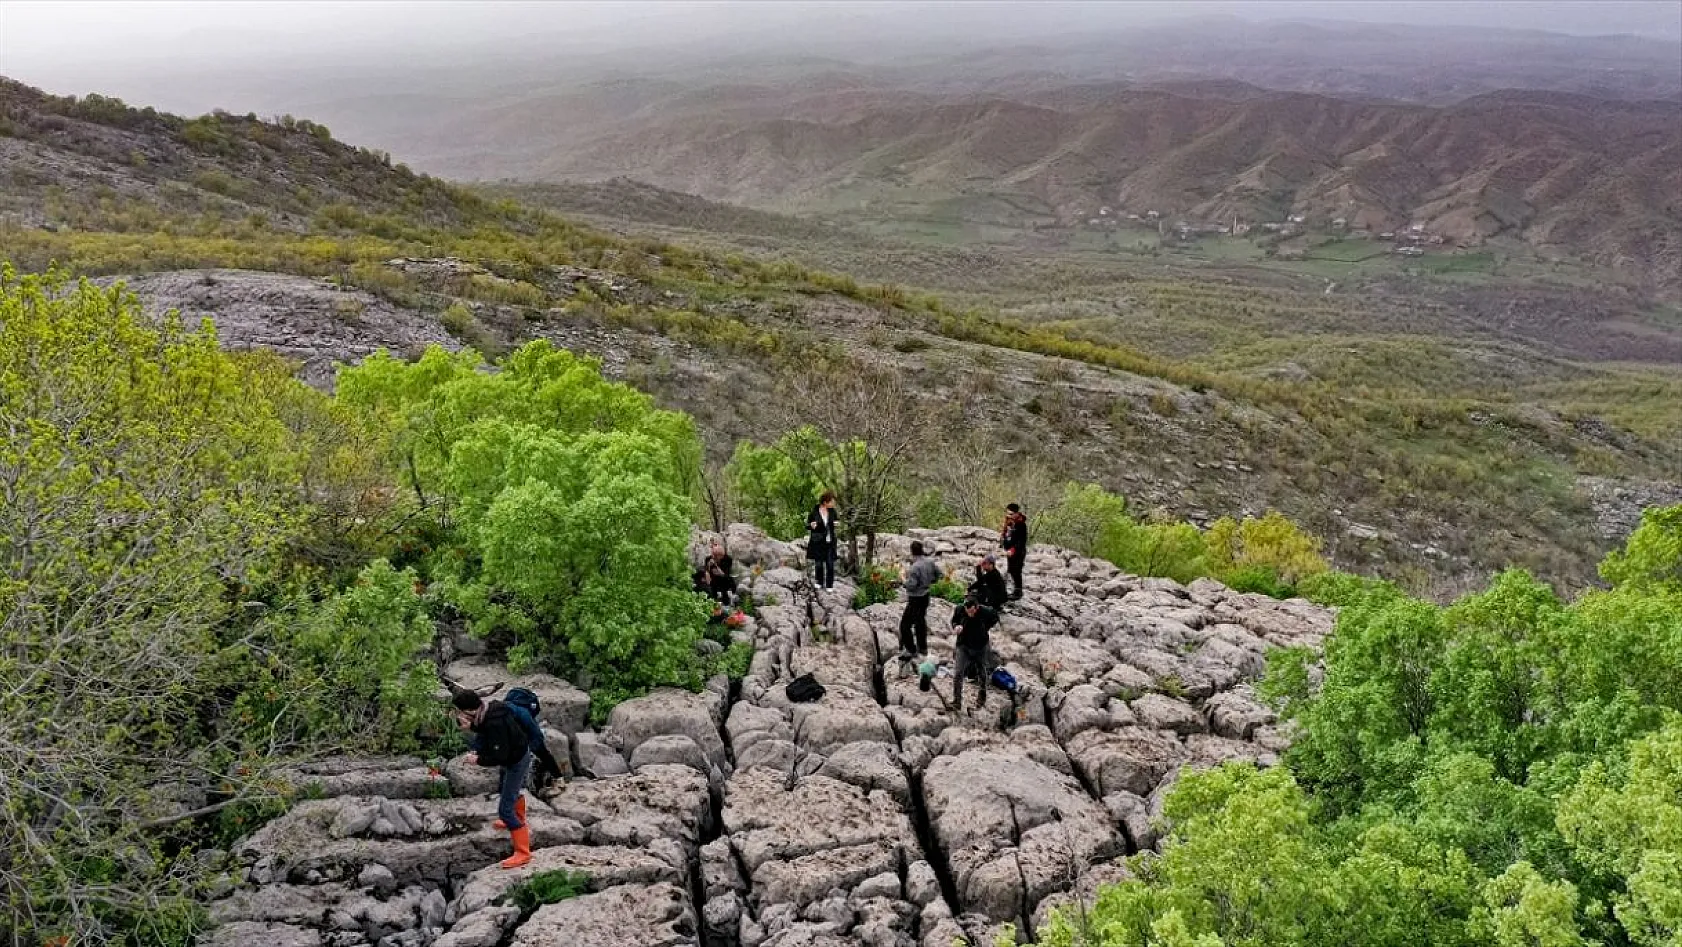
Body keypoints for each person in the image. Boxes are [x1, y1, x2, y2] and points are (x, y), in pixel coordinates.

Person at [453, 690, 541, 869]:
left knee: (504, 810)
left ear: (469, 710)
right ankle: (518, 816)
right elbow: (485, 731)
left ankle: (523, 853)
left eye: (460, 711)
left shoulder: (494, 721)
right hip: (516, 753)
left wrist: (477, 760)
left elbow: (499, 755)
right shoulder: (489, 709)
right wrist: (470, 729)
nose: (459, 715)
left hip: (516, 760)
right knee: (507, 790)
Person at [949, 595, 1000, 711]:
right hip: (963, 645)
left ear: (976, 608)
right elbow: (954, 620)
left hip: (981, 646)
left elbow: (995, 617)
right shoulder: (959, 609)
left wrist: (985, 627)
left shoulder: (986, 611)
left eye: (971, 612)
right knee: (958, 672)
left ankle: (981, 698)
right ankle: (957, 701)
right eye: (967, 612)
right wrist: (956, 626)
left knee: (982, 671)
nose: (969, 614)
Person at [898, 540, 940, 661]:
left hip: (915, 598)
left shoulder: (915, 567)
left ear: (912, 551)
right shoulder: (930, 562)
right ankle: (923, 648)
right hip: (926, 595)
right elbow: (939, 575)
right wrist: (931, 581)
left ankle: (911, 649)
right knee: (920, 622)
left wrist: (903, 581)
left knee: (905, 625)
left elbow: (912, 585)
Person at [806, 491, 839, 589]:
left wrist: (836, 523)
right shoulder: (814, 512)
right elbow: (807, 525)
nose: (833, 503)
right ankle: (819, 582)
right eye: (832, 501)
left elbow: (836, 521)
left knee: (830, 564)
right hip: (818, 541)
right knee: (818, 564)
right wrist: (811, 526)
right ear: (825, 502)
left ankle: (829, 585)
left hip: (830, 541)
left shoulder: (833, 511)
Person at [1001, 503, 1029, 601]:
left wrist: (1013, 550)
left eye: (1011, 513)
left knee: (1016, 571)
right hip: (1009, 550)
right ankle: (1015, 591)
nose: (1009, 515)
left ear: (1017, 513)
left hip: (1018, 551)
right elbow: (1005, 534)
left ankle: (1018, 591)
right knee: (1011, 570)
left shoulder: (1021, 524)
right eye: (1008, 513)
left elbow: (1022, 541)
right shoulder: (1008, 522)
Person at [699, 541, 737, 606]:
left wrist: (716, 565)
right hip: (713, 580)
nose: (713, 557)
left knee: (728, 581)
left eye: (715, 556)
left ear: (721, 556)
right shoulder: (708, 558)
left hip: (724, 580)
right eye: (713, 555)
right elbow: (707, 572)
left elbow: (724, 574)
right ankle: (712, 600)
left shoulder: (727, 559)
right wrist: (708, 566)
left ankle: (727, 601)